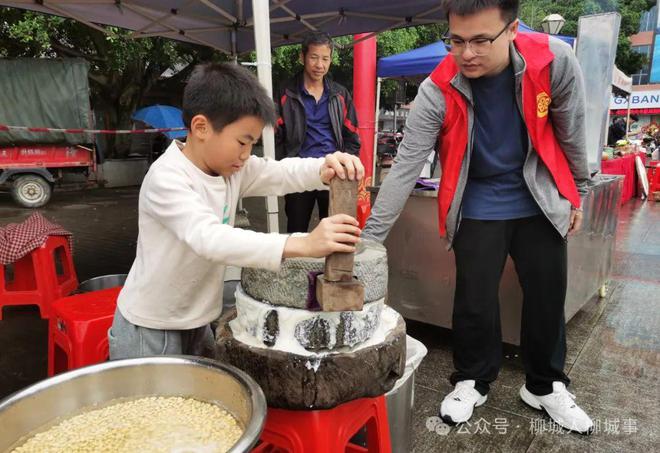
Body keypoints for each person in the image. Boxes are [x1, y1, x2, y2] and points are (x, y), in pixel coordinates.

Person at [362, 0, 594, 434]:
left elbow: (571, 131)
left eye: (481, 41)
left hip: (539, 198)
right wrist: (368, 241)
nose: (466, 53)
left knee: (547, 293)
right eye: (456, 41)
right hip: (477, 202)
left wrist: (577, 192)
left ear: (513, 30)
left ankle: (544, 385)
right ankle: (471, 378)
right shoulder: (438, 87)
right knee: (474, 297)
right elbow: (406, 165)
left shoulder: (553, 61)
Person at [109, 63, 364, 359]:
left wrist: (324, 167)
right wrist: (303, 243)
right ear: (201, 128)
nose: (246, 155)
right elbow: (211, 239)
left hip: (195, 319)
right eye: (242, 142)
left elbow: (278, 173)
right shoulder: (167, 178)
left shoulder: (230, 169)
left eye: (252, 144)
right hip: (151, 327)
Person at [275, 31, 361, 233]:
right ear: (302, 57)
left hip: (333, 172)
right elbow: (276, 135)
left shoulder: (339, 94)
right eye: (314, 57)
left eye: (325, 58)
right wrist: (284, 165)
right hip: (298, 172)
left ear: (331, 60)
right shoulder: (286, 92)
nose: (319, 65)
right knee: (296, 231)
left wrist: (344, 169)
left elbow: (352, 136)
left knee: (335, 232)